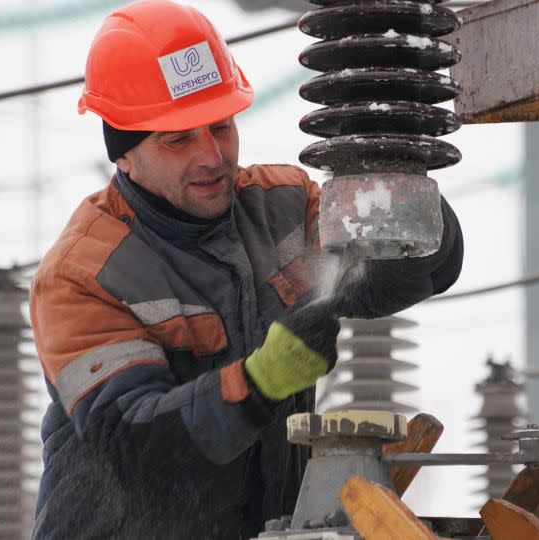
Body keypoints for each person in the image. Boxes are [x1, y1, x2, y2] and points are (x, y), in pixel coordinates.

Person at [29, 1, 463, 538]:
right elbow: (136, 450)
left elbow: (395, 275)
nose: (213, 155)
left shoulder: (281, 208)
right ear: (124, 153)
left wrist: (409, 208)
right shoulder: (83, 276)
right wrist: (260, 381)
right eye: (178, 139)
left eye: (221, 126)